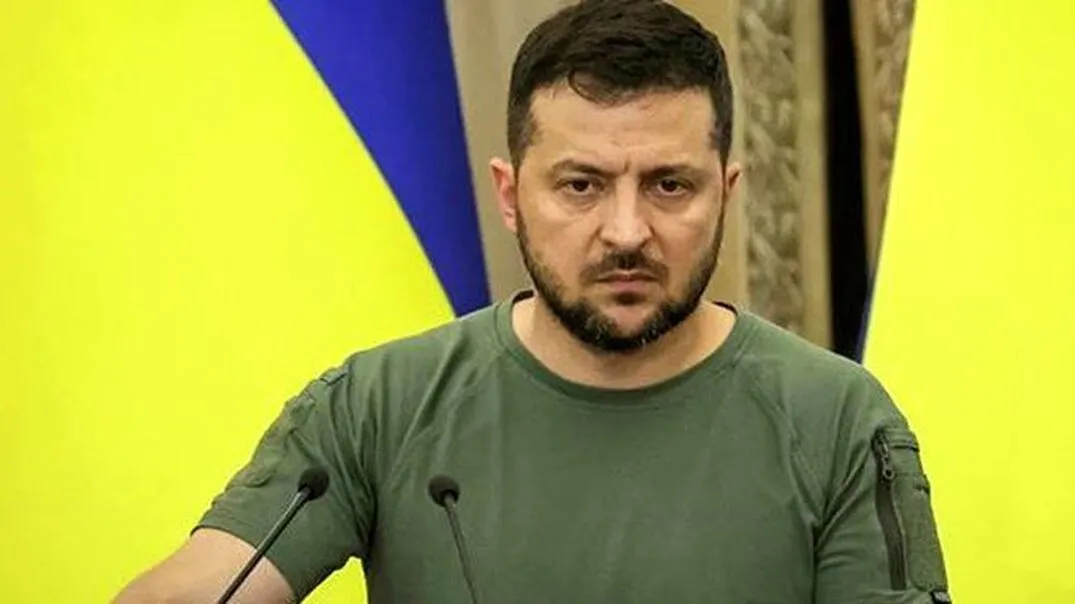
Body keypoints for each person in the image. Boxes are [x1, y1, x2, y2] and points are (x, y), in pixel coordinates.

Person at [114, 0, 950, 602]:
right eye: (581, 186)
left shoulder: (838, 420)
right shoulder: (379, 406)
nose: (627, 231)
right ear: (511, 196)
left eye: (670, 185)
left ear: (726, 193)